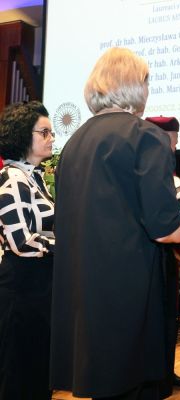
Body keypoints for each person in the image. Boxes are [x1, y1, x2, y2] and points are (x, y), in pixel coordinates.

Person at [50, 47, 180, 399]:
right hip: (129, 289)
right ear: (136, 85)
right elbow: (163, 227)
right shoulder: (144, 135)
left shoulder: (75, 141)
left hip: (85, 289)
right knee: (134, 384)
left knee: (105, 385)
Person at [0, 101, 55, 399]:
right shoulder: (12, 179)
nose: (51, 138)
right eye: (44, 132)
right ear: (24, 135)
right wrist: (68, 246)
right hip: (21, 292)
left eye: (51, 132)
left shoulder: (33, 178)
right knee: (19, 379)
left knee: (36, 378)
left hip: (38, 289)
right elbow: (21, 241)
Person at [145, 116, 180, 394]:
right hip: (152, 253)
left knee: (169, 315)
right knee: (155, 315)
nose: (175, 146)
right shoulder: (148, 171)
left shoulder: (171, 176)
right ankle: (155, 375)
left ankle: (167, 370)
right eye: (173, 140)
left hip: (168, 255)